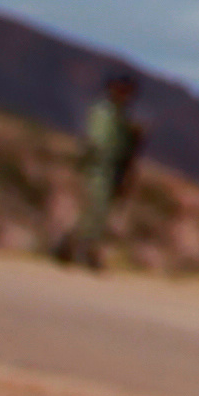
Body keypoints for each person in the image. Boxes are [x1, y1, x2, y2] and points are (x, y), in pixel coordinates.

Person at [50, 67, 145, 269]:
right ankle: (82, 249)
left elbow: (126, 146)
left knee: (98, 212)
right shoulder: (104, 111)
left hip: (112, 170)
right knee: (96, 210)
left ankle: (75, 246)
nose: (125, 95)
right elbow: (99, 142)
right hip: (99, 168)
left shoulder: (122, 116)